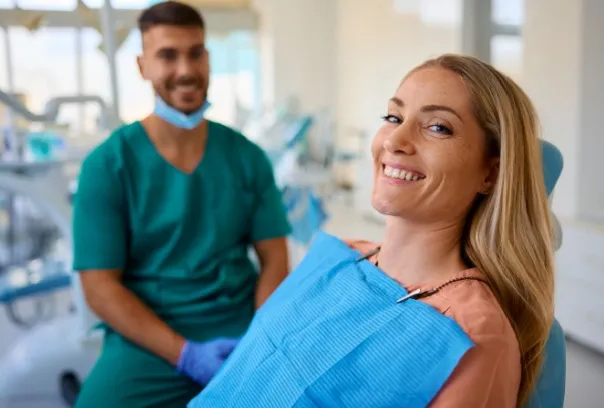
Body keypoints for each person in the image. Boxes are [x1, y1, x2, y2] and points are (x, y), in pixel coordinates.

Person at [188, 54, 556, 408]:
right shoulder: (341, 257)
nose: (395, 141)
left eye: (438, 127)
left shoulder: (471, 334)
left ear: (490, 173)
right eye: (393, 117)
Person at [71, 2, 291, 407]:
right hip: (147, 338)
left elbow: (275, 259)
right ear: (142, 66)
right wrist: (186, 355)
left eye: (195, 53)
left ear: (208, 59)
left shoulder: (247, 157)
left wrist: (262, 337)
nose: (185, 70)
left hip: (242, 329)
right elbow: (99, 287)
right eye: (167, 55)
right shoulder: (107, 165)